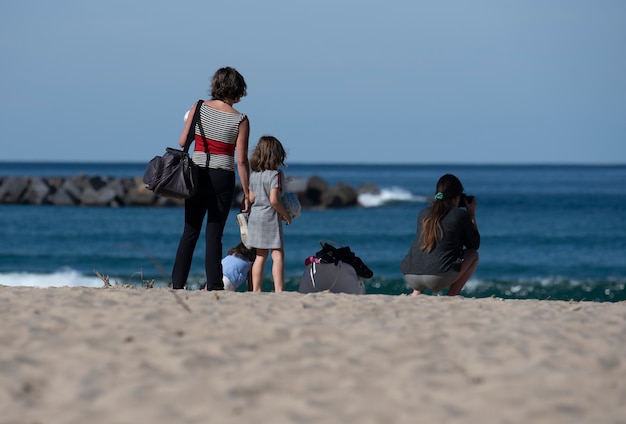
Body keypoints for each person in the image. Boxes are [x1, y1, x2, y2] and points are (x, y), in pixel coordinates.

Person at [171, 67, 250, 290]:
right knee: (214, 234)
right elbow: (242, 161)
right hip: (222, 176)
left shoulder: (198, 107)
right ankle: (214, 286)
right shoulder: (241, 120)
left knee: (190, 231)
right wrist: (247, 191)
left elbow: (182, 141)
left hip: (197, 172)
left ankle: (177, 284)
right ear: (237, 89)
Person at [400, 174, 480, 296]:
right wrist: (471, 215)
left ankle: (416, 293)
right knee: (473, 255)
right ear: (458, 197)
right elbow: (474, 244)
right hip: (438, 278)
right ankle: (453, 293)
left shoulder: (423, 213)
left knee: (428, 249)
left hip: (410, 276)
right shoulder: (459, 215)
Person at [246, 135, 292, 292]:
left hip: (255, 217)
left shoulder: (254, 175)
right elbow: (274, 200)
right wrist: (285, 214)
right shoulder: (275, 175)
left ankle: (256, 289)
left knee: (260, 256)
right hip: (270, 218)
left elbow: (251, 198)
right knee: (277, 254)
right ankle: (279, 290)